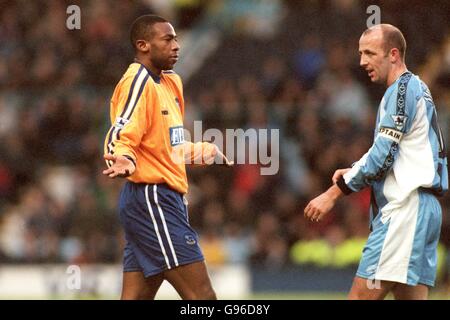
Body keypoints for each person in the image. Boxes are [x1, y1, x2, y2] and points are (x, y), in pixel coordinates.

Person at [304, 24, 448, 300]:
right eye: (360, 54)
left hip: (405, 211)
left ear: (393, 54)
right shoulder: (414, 88)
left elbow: (382, 156)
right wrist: (356, 168)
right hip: (422, 209)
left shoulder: (402, 90)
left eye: (370, 53)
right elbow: (394, 152)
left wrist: (333, 193)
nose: (362, 62)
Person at [102, 14, 232, 300]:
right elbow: (121, 131)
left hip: (158, 200)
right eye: (168, 39)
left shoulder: (171, 83)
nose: (176, 45)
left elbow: (169, 147)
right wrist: (123, 156)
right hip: (153, 199)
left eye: (176, 38)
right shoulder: (136, 81)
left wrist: (206, 151)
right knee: (203, 297)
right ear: (143, 45)